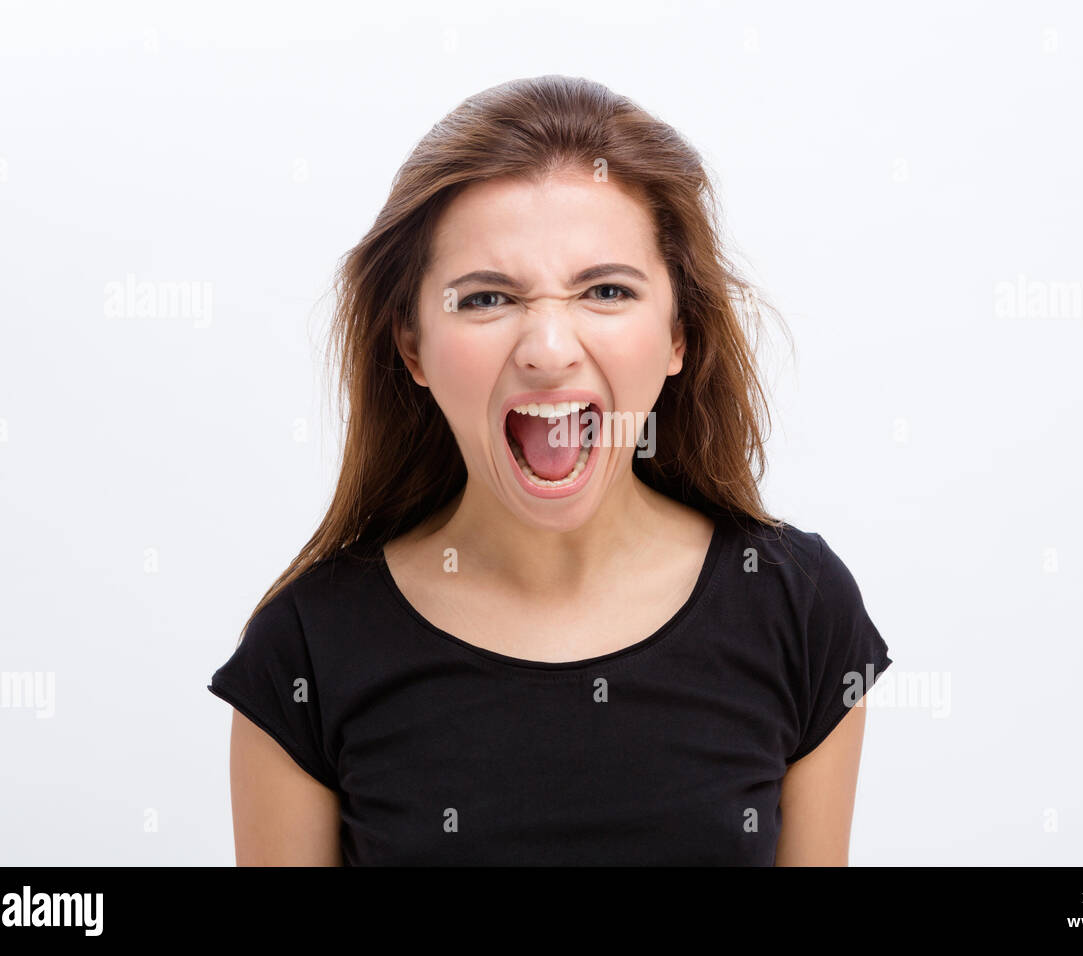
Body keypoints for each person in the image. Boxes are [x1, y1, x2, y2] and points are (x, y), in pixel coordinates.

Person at [207, 74, 892, 866]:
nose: (548, 348)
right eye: (487, 298)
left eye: (605, 290)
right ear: (411, 346)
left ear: (678, 336)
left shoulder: (800, 611)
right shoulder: (302, 654)